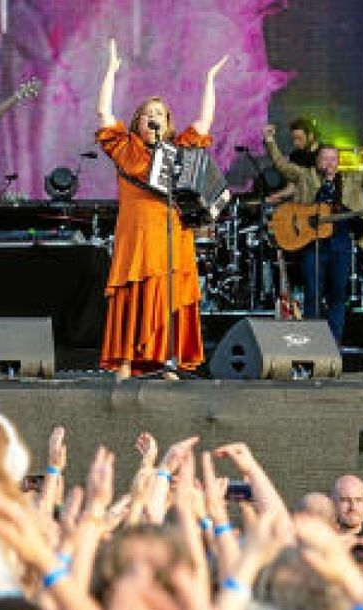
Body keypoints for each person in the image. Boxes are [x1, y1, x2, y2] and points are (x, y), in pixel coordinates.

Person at [95, 39, 228, 379]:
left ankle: (164, 360)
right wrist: (111, 71)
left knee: (168, 296)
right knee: (134, 293)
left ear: (167, 123)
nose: (152, 117)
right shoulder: (125, 148)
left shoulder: (179, 150)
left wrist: (210, 80)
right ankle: (125, 361)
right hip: (137, 236)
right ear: (137, 121)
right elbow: (103, 113)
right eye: (146, 113)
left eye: (159, 114)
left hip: (172, 236)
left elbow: (204, 120)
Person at [263, 123, 363, 341]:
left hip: (341, 243)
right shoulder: (306, 176)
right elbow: (281, 165)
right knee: (313, 295)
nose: (328, 163)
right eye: (324, 158)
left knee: (338, 295)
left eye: (333, 158)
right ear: (317, 161)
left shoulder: (351, 179)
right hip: (313, 245)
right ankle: (311, 344)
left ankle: (334, 344)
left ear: (338, 162)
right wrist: (270, 141)